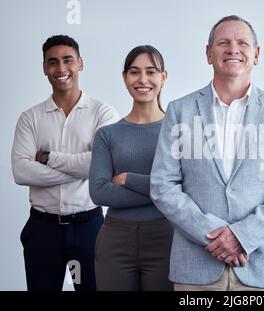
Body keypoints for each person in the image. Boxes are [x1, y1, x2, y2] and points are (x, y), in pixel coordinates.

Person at [150, 15, 264, 291]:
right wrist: (211, 234)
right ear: (208, 53)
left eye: (242, 43)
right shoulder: (180, 110)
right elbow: (163, 186)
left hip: (262, 267)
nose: (233, 49)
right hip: (195, 269)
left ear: (256, 54)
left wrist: (243, 235)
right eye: (223, 42)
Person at [11, 35, 118, 291]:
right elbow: (21, 171)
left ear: (80, 63)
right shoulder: (30, 118)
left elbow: (105, 164)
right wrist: (86, 170)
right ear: (44, 68)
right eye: (53, 62)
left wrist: (50, 159)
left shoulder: (102, 113)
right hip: (42, 229)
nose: (60, 69)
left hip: (89, 228)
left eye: (67, 60)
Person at [89, 45, 173, 291]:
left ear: (163, 77)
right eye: (135, 72)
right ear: (125, 78)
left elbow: (186, 188)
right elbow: (100, 192)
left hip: (164, 237)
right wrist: (161, 190)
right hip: (115, 241)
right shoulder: (107, 134)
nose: (143, 79)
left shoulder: (177, 132)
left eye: (151, 71)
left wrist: (128, 179)